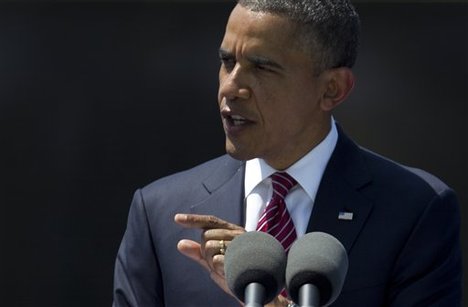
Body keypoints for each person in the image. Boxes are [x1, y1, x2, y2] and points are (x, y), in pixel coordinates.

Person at [113, 0, 462, 306]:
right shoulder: (159, 212)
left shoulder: (415, 210)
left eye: (262, 67)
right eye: (227, 60)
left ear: (332, 89)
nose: (231, 87)